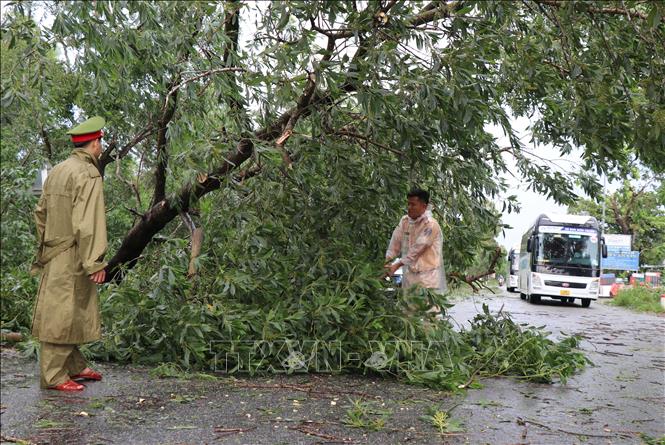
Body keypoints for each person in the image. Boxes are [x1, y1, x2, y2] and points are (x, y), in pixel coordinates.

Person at [30, 116, 109, 391]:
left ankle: (74, 366)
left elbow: (40, 213)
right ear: (95, 143)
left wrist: (48, 244)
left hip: (56, 250)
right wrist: (95, 261)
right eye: (101, 142)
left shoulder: (59, 170)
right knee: (61, 314)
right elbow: (89, 222)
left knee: (71, 308)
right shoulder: (87, 174)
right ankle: (53, 376)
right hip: (73, 252)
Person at [385, 188, 447, 309]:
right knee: (408, 315)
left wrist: (397, 265)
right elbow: (394, 244)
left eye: (413, 204)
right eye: (408, 203)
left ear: (423, 206)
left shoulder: (431, 225)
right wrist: (387, 262)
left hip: (429, 278)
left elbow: (418, 248)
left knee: (430, 317)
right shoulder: (405, 222)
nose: (409, 207)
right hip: (410, 276)